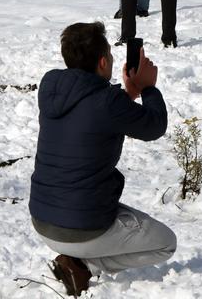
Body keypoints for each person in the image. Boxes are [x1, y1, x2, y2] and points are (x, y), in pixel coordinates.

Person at [29, 22, 176, 297]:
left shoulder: (50, 86)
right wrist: (147, 89)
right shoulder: (108, 102)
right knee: (165, 243)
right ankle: (85, 264)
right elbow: (154, 126)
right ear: (102, 61)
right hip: (82, 227)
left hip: (42, 220)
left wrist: (127, 94)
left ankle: (76, 259)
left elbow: (92, 112)